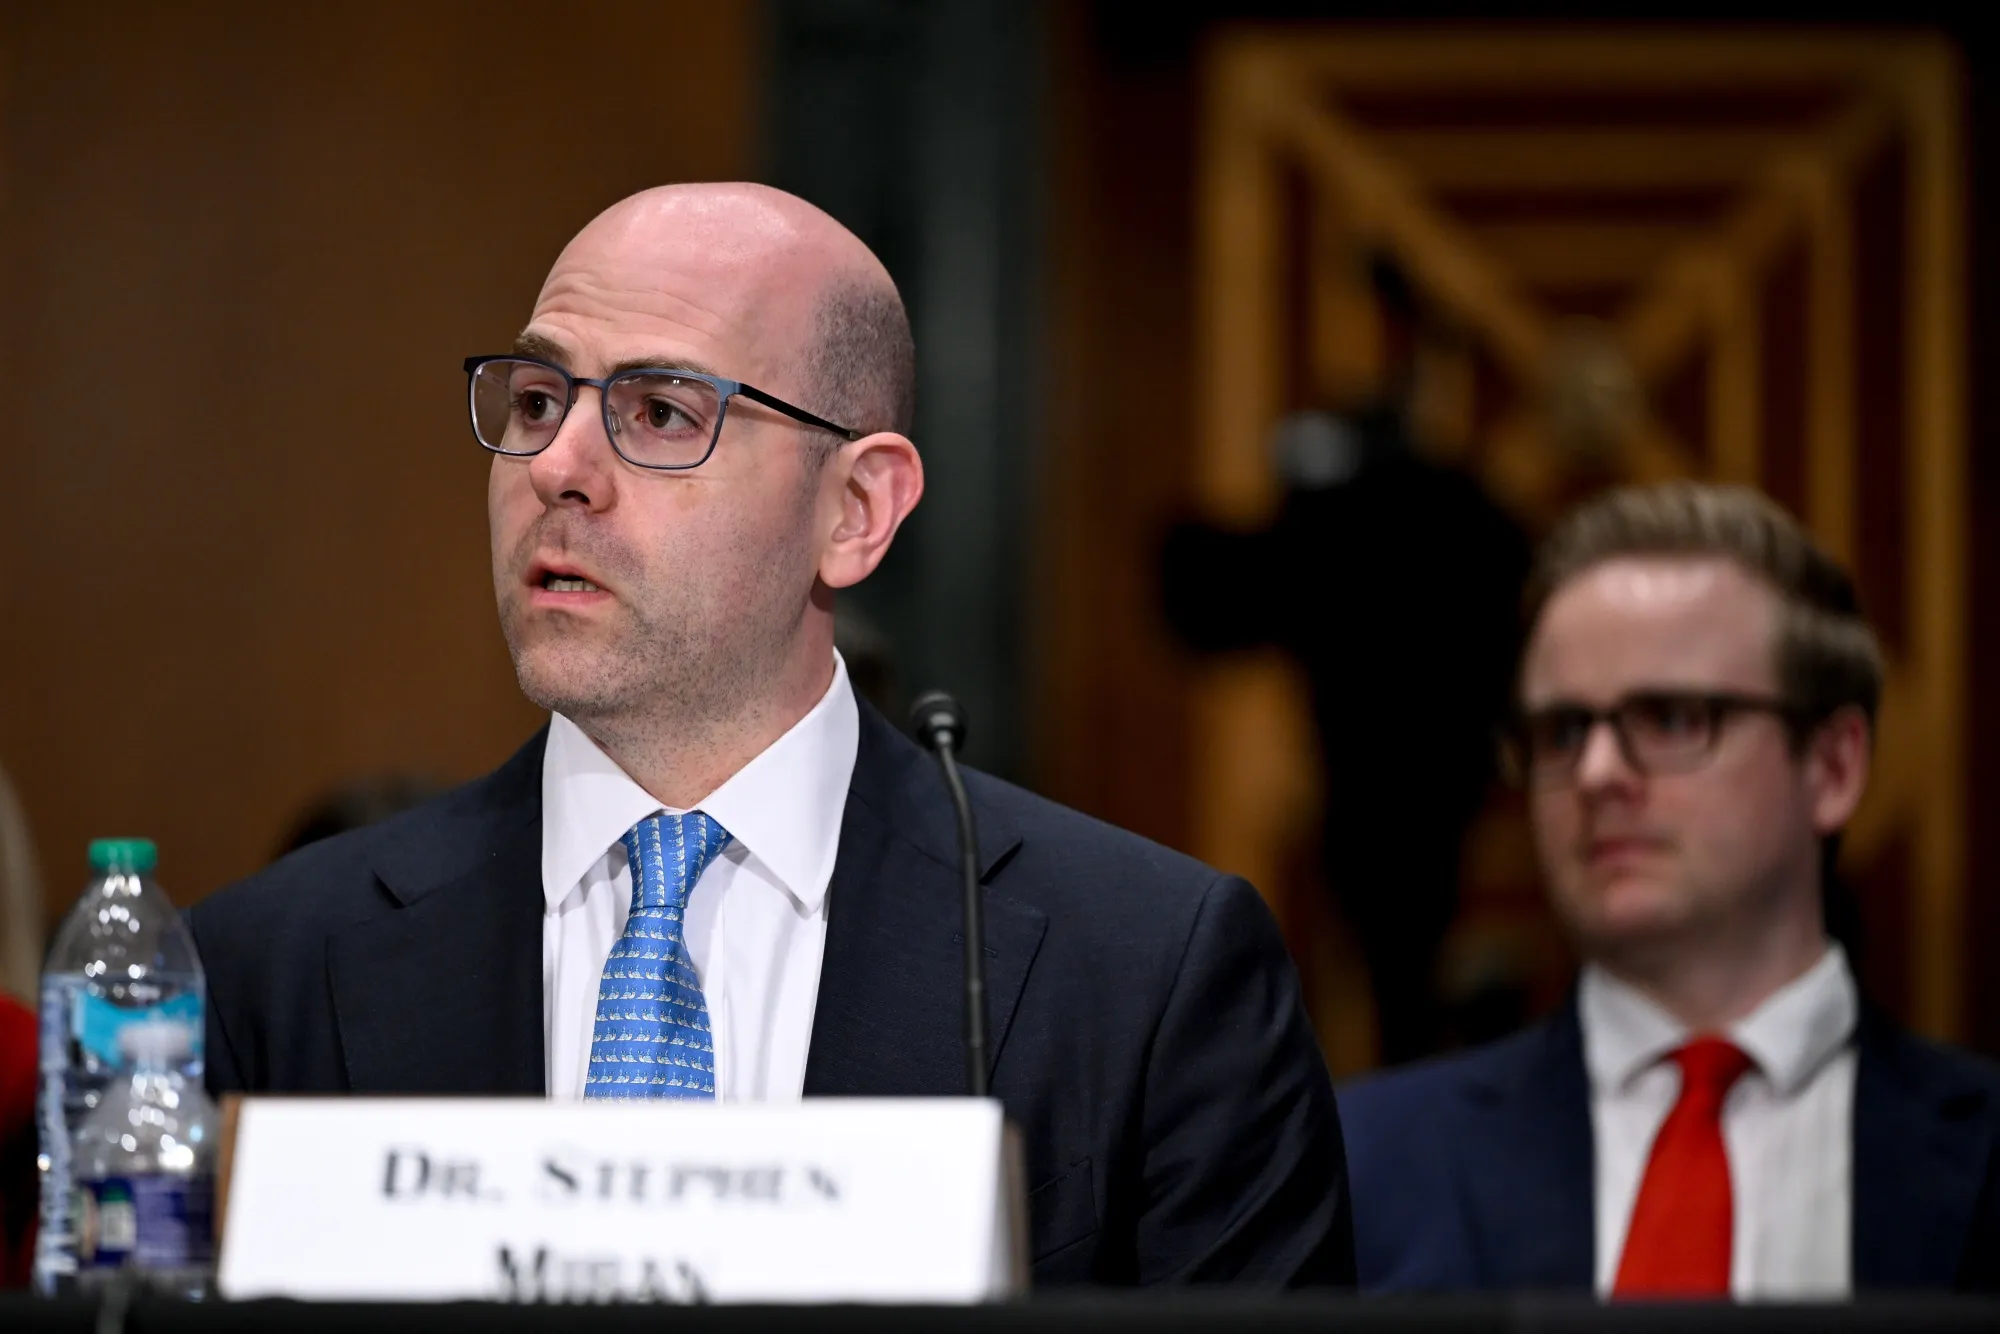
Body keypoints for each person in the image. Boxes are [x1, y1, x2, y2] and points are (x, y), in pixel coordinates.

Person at [185, 183, 1352, 1286]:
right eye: (537, 400)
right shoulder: (262, 969)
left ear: (854, 511)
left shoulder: (1149, 975)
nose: (555, 467)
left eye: (657, 413)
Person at [1339, 482, 2000, 1297]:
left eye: (1675, 719)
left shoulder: (1982, 1154)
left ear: (1833, 767)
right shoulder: (1364, 1161)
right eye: (1563, 731)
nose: (1597, 773)